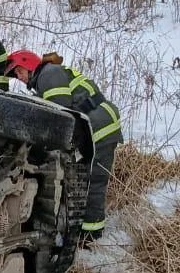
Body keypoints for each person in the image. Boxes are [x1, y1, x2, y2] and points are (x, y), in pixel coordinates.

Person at [6, 50, 121, 240]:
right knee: (87, 179)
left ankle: (91, 236)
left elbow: (59, 115)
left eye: (19, 72)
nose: (19, 77)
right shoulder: (48, 75)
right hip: (96, 127)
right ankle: (86, 230)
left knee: (93, 181)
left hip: (100, 129)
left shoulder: (48, 75)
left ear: (29, 64)